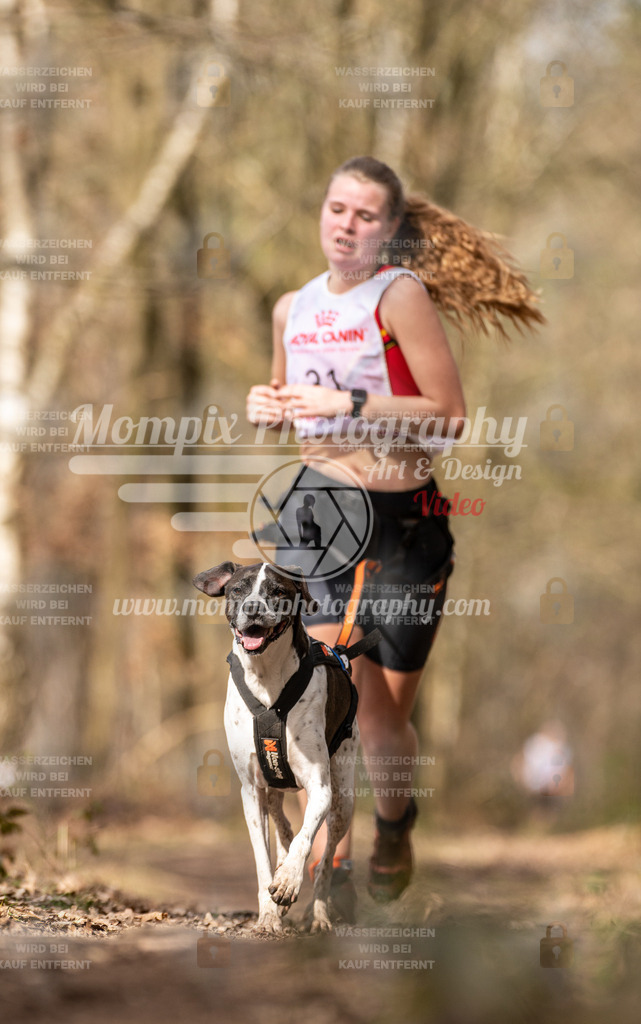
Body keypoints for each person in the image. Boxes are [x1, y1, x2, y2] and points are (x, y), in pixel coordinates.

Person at [246, 156, 544, 920]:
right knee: (319, 697)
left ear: (387, 231)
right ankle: (329, 870)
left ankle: (394, 823)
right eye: (336, 207)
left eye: (365, 215)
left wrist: (345, 397)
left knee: (381, 716)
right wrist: (269, 404)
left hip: (401, 524)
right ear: (321, 210)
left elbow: (447, 416)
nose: (345, 224)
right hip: (316, 518)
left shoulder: (399, 296)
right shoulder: (291, 307)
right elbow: (287, 407)